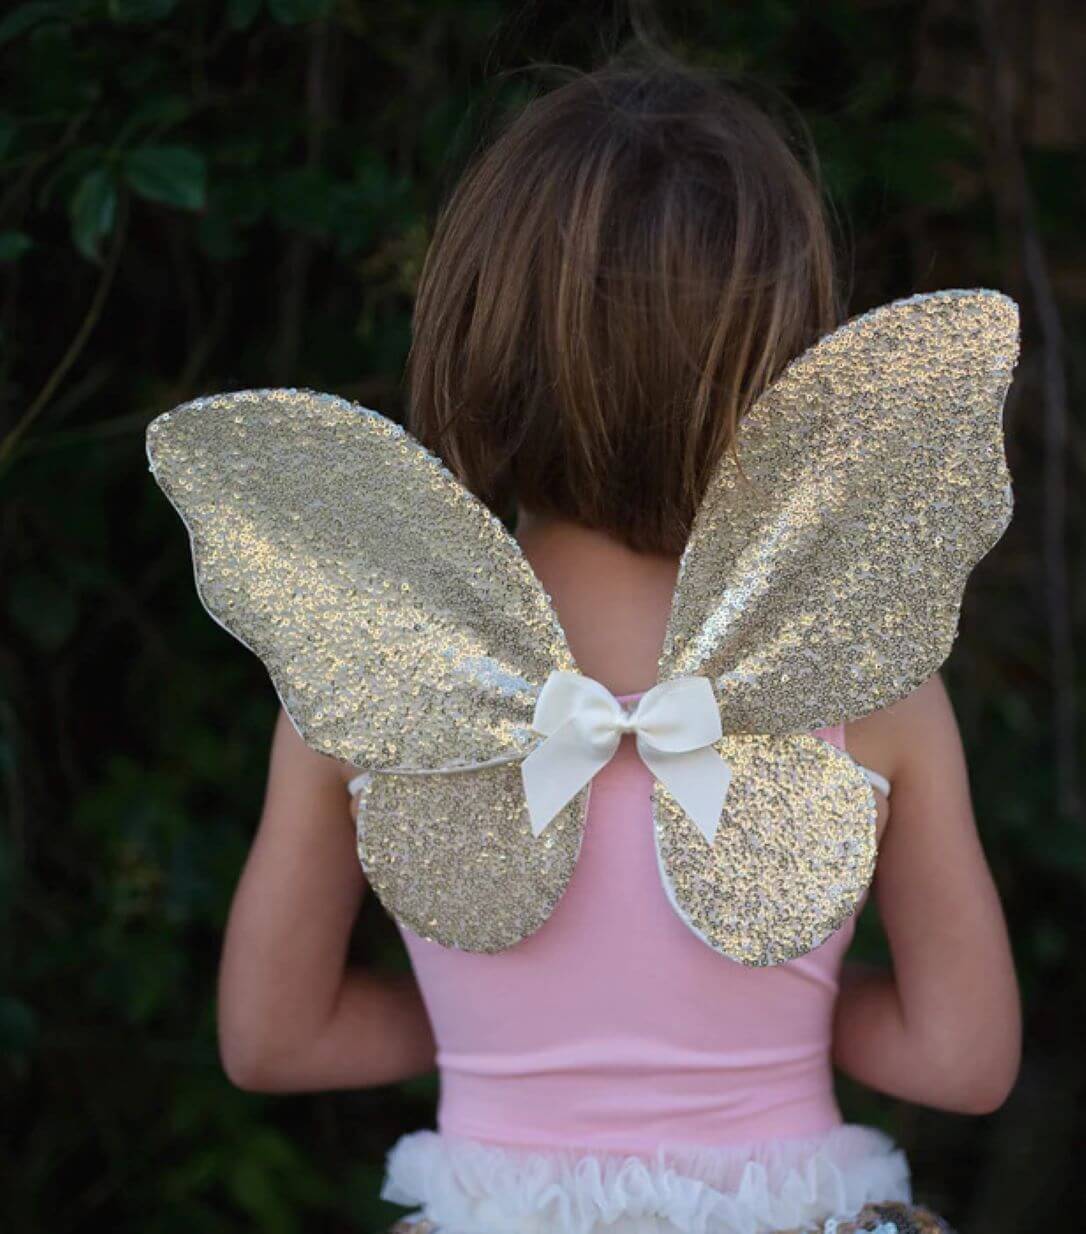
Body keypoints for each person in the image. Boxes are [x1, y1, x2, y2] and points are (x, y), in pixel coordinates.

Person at [147, 55, 1022, 1234]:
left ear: (470, 338)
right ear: (789, 368)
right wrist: (773, 1023)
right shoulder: (867, 685)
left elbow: (271, 1038)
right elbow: (964, 1059)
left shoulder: (367, 680)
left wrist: (494, 1032)